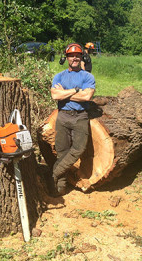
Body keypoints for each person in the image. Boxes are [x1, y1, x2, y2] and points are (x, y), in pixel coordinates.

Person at [50, 43, 96, 197]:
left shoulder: (87, 76)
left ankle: (55, 173)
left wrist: (66, 93)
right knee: (62, 151)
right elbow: (55, 96)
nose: (75, 58)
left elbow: (87, 96)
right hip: (62, 116)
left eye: (78, 55)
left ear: (81, 57)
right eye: (71, 55)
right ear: (67, 58)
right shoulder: (59, 76)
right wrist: (76, 90)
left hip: (80, 116)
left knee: (79, 149)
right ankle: (59, 189)